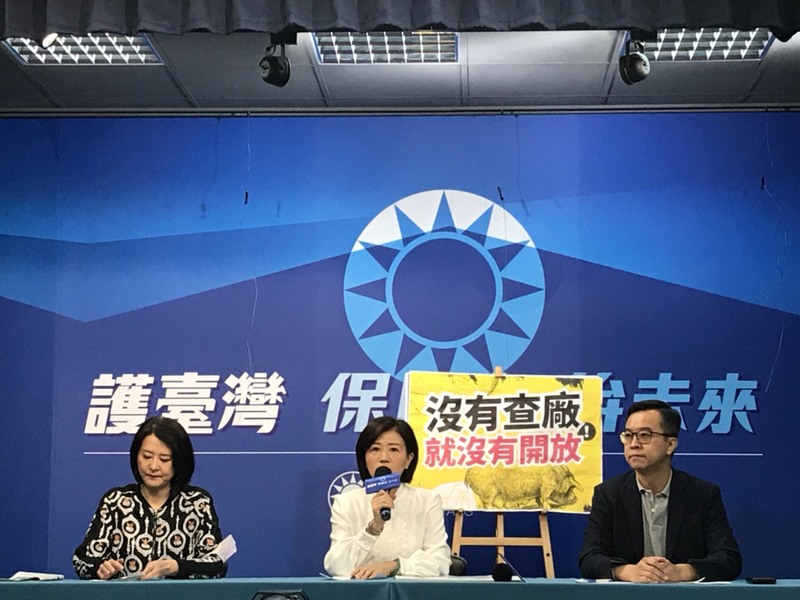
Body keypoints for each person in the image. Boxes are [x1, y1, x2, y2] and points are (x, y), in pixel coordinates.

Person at [578, 399, 742, 582]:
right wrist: (626, 571)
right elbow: (589, 558)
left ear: (670, 444)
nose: (633, 444)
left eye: (644, 435)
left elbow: (728, 558)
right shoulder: (609, 494)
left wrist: (682, 572)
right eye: (628, 435)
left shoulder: (702, 494)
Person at [73, 416, 228, 579]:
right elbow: (81, 561)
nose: (153, 466)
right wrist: (100, 568)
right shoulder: (115, 502)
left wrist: (175, 566)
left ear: (179, 462)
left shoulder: (197, 503)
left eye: (164, 459)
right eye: (146, 456)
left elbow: (218, 564)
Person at [324, 416, 451, 579]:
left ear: (409, 459)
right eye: (375, 449)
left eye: (393, 449)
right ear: (364, 459)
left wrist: (395, 566)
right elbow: (336, 566)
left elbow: (440, 561)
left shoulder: (427, 501)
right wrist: (374, 528)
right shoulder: (346, 503)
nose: (384, 457)